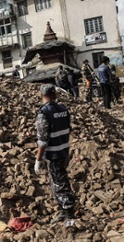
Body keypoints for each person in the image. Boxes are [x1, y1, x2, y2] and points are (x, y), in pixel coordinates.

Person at [34, 84, 75, 224]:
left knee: (59, 183)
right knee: (60, 180)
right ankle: (63, 211)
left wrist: (38, 159)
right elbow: (68, 129)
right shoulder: (63, 109)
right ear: (54, 95)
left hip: (53, 154)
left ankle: (69, 214)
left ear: (41, 95)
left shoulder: (44, 113)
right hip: (64, 150)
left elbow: (43, 141)